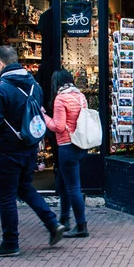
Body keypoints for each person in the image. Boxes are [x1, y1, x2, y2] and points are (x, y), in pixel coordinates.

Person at [0, 46, 65, 257]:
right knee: (25, 188)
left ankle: (10, 242)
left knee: (6, 196)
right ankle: (52, 223)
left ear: (0, 64)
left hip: (8, 149)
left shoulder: (0, 89)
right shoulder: (34, 85)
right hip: (29, 146)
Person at [42, 70, 89, 237]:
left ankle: (81, 225)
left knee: (73, 188)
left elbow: (58, 126)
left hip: (67, 146)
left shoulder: (60, 99)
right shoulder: (80, 96)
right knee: (62, 183)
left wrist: (44, 117)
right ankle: (64, 219)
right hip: (80, 145)